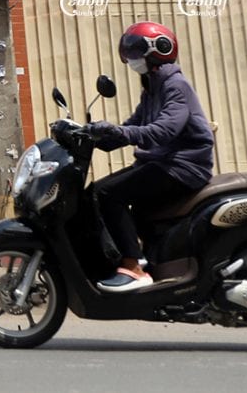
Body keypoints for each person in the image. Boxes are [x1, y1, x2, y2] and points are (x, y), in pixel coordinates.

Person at [88, 21, 214, 293]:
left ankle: (133, 269)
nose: (132, 59)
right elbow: (135, 123)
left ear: (159, 50)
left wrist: (120, 132)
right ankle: (141, 260)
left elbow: (165, 130)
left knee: (108, 194)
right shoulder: (152, 88)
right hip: (163, 162)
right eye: (129, 52)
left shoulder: (175, 85)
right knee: (96, 191)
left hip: (183, 165)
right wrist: (99, 137)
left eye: (136, 51)